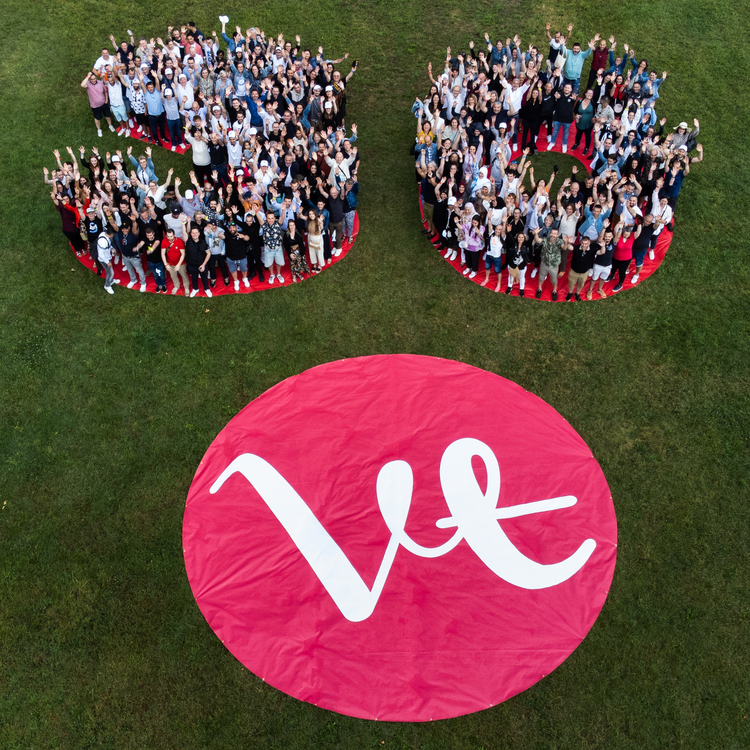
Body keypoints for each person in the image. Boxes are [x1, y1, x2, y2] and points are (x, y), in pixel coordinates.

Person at [81, 71, 116, 137]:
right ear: (89, 79)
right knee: (97, 118)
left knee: (108, 115)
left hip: (104, 103)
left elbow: (105, 91)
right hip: (95, 106)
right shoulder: (88, 84)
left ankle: (110, 125)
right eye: (92, 79)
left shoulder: (100, 83)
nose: (94, 80)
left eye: (94, 79)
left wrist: (106, 100)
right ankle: (99, 129)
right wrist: (87, 76)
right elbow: (82, 85)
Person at [182, 223, 213, 297]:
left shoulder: (203, 242)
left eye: (196, 232)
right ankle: (195, 289)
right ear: (191, 234)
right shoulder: (188, 241)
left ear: (199, 233)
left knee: (204, 278)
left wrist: (203, 265)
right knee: (194, 278)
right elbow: (184, 233)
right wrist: (183, 223)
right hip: (192, 265)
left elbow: (208, 253)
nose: (195, 234)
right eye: (193, 233)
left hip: (202, 264)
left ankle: (206, 289)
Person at [534, 227, 564, 300]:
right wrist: (536, 233)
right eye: (552, 233)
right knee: (541, 277)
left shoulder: (560, 242)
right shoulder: (545, 240)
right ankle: (539, 289)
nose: (553, 235)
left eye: (555, 234)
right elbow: (537, 240)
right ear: (550, 234)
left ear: (557, 235)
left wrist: (566, 243)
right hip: (544, 263)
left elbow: (565, 247)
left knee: (554, 280)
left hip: (554, 265)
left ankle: (554, 291)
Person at [161, 227, 190, 295]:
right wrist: (166, 264)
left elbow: (183, 253)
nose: (169, 238)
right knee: (173, 275)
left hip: (181, 263)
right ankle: (176, 286)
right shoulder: (164, 241)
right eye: (168, 236)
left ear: (174, 235)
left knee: (183, 275)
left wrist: (178, 264)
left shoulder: (179, 241)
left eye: (171, 236)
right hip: (170, 262)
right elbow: (162, 253)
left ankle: (186, 287)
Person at [97, 224, 120, 294]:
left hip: (106, 257)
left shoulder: (103, 234)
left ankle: (111, 280)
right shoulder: (103, 242)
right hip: (104, 259)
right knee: (110, 273)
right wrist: (107, 262)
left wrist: (112, 248)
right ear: (112, 234)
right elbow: (101, 254)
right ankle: (107, 285)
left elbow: (108, 246)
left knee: (110, 272)